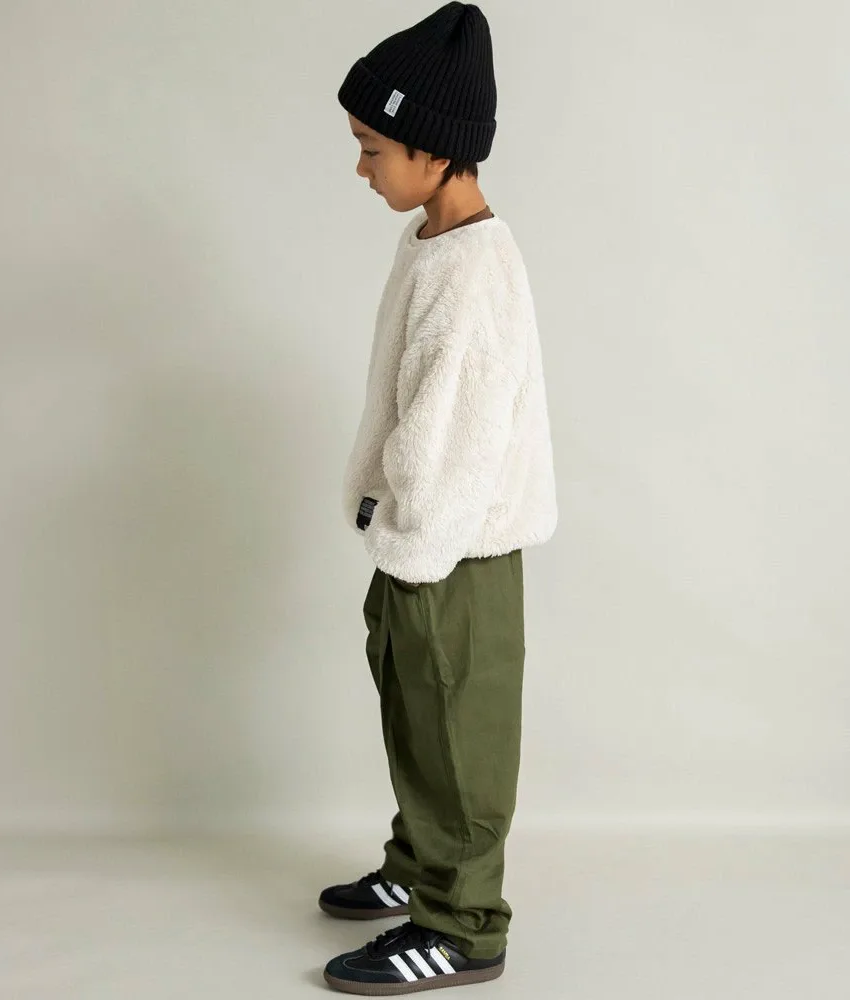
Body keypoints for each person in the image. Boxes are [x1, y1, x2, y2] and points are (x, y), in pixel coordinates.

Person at [321, 3, 558, 993]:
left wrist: (410, 529)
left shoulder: (472, 274)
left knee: (460, 740)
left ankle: (462, 925)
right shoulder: (434, 242)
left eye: (373, 148)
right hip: (418, 536)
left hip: (453, 548)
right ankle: (419, 866)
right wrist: (390, 519)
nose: (362, 168)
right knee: (416, 717)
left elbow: (453, 435)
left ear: (433, 147)